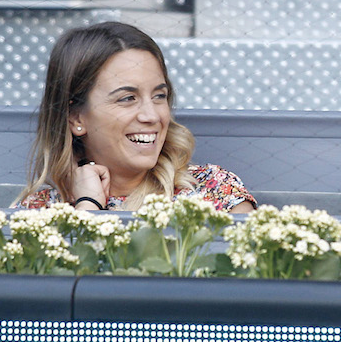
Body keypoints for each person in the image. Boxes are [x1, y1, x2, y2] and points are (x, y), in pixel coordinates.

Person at [14, 21, 256, 213]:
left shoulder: (212, 192)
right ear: (76, 118)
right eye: (127, 98)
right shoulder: (39, 211)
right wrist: (88, 206)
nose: (152, 115)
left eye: (159, 96)